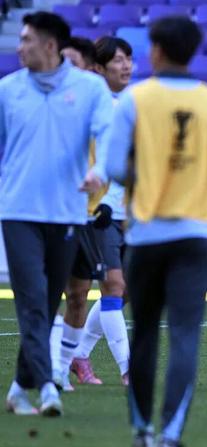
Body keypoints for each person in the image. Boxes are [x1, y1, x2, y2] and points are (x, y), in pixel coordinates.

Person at [105, 16, 207, 447]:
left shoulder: (135, 99)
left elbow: (111, 167)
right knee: (184, 336)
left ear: (157, 50)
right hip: (197, 236)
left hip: (146, 235)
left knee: (144, 333)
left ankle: (142, 432)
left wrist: (145, 175)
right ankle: (172, 434)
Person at [0, 12, 113, 416]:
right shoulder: (7, 90)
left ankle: (19, 388)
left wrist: (99, 172)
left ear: (50, 46)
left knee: (47, 304)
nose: (19, 47)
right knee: (32, 299)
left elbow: (108, 135)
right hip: (18, 212)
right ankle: (48, 385)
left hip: (68, 213)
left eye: (26, 40)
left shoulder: (90, 89)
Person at [66, 36, 134, 389]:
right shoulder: (89, 109)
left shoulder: (128, 105)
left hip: (130, 213)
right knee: (112, 286)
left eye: (129, 59)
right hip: (100, 213)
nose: (126, 66)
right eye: (118, 60)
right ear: (98, 67)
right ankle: (128, 368)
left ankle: (79, 353)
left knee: (124, 290)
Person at [48, 35, 99, 382]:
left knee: (79, 294)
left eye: (73, 62)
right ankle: (53, 370)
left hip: (90, 213)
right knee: (49, 292)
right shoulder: (44, 102)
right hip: (49, 212)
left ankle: (67, 362)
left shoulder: (102, 105)